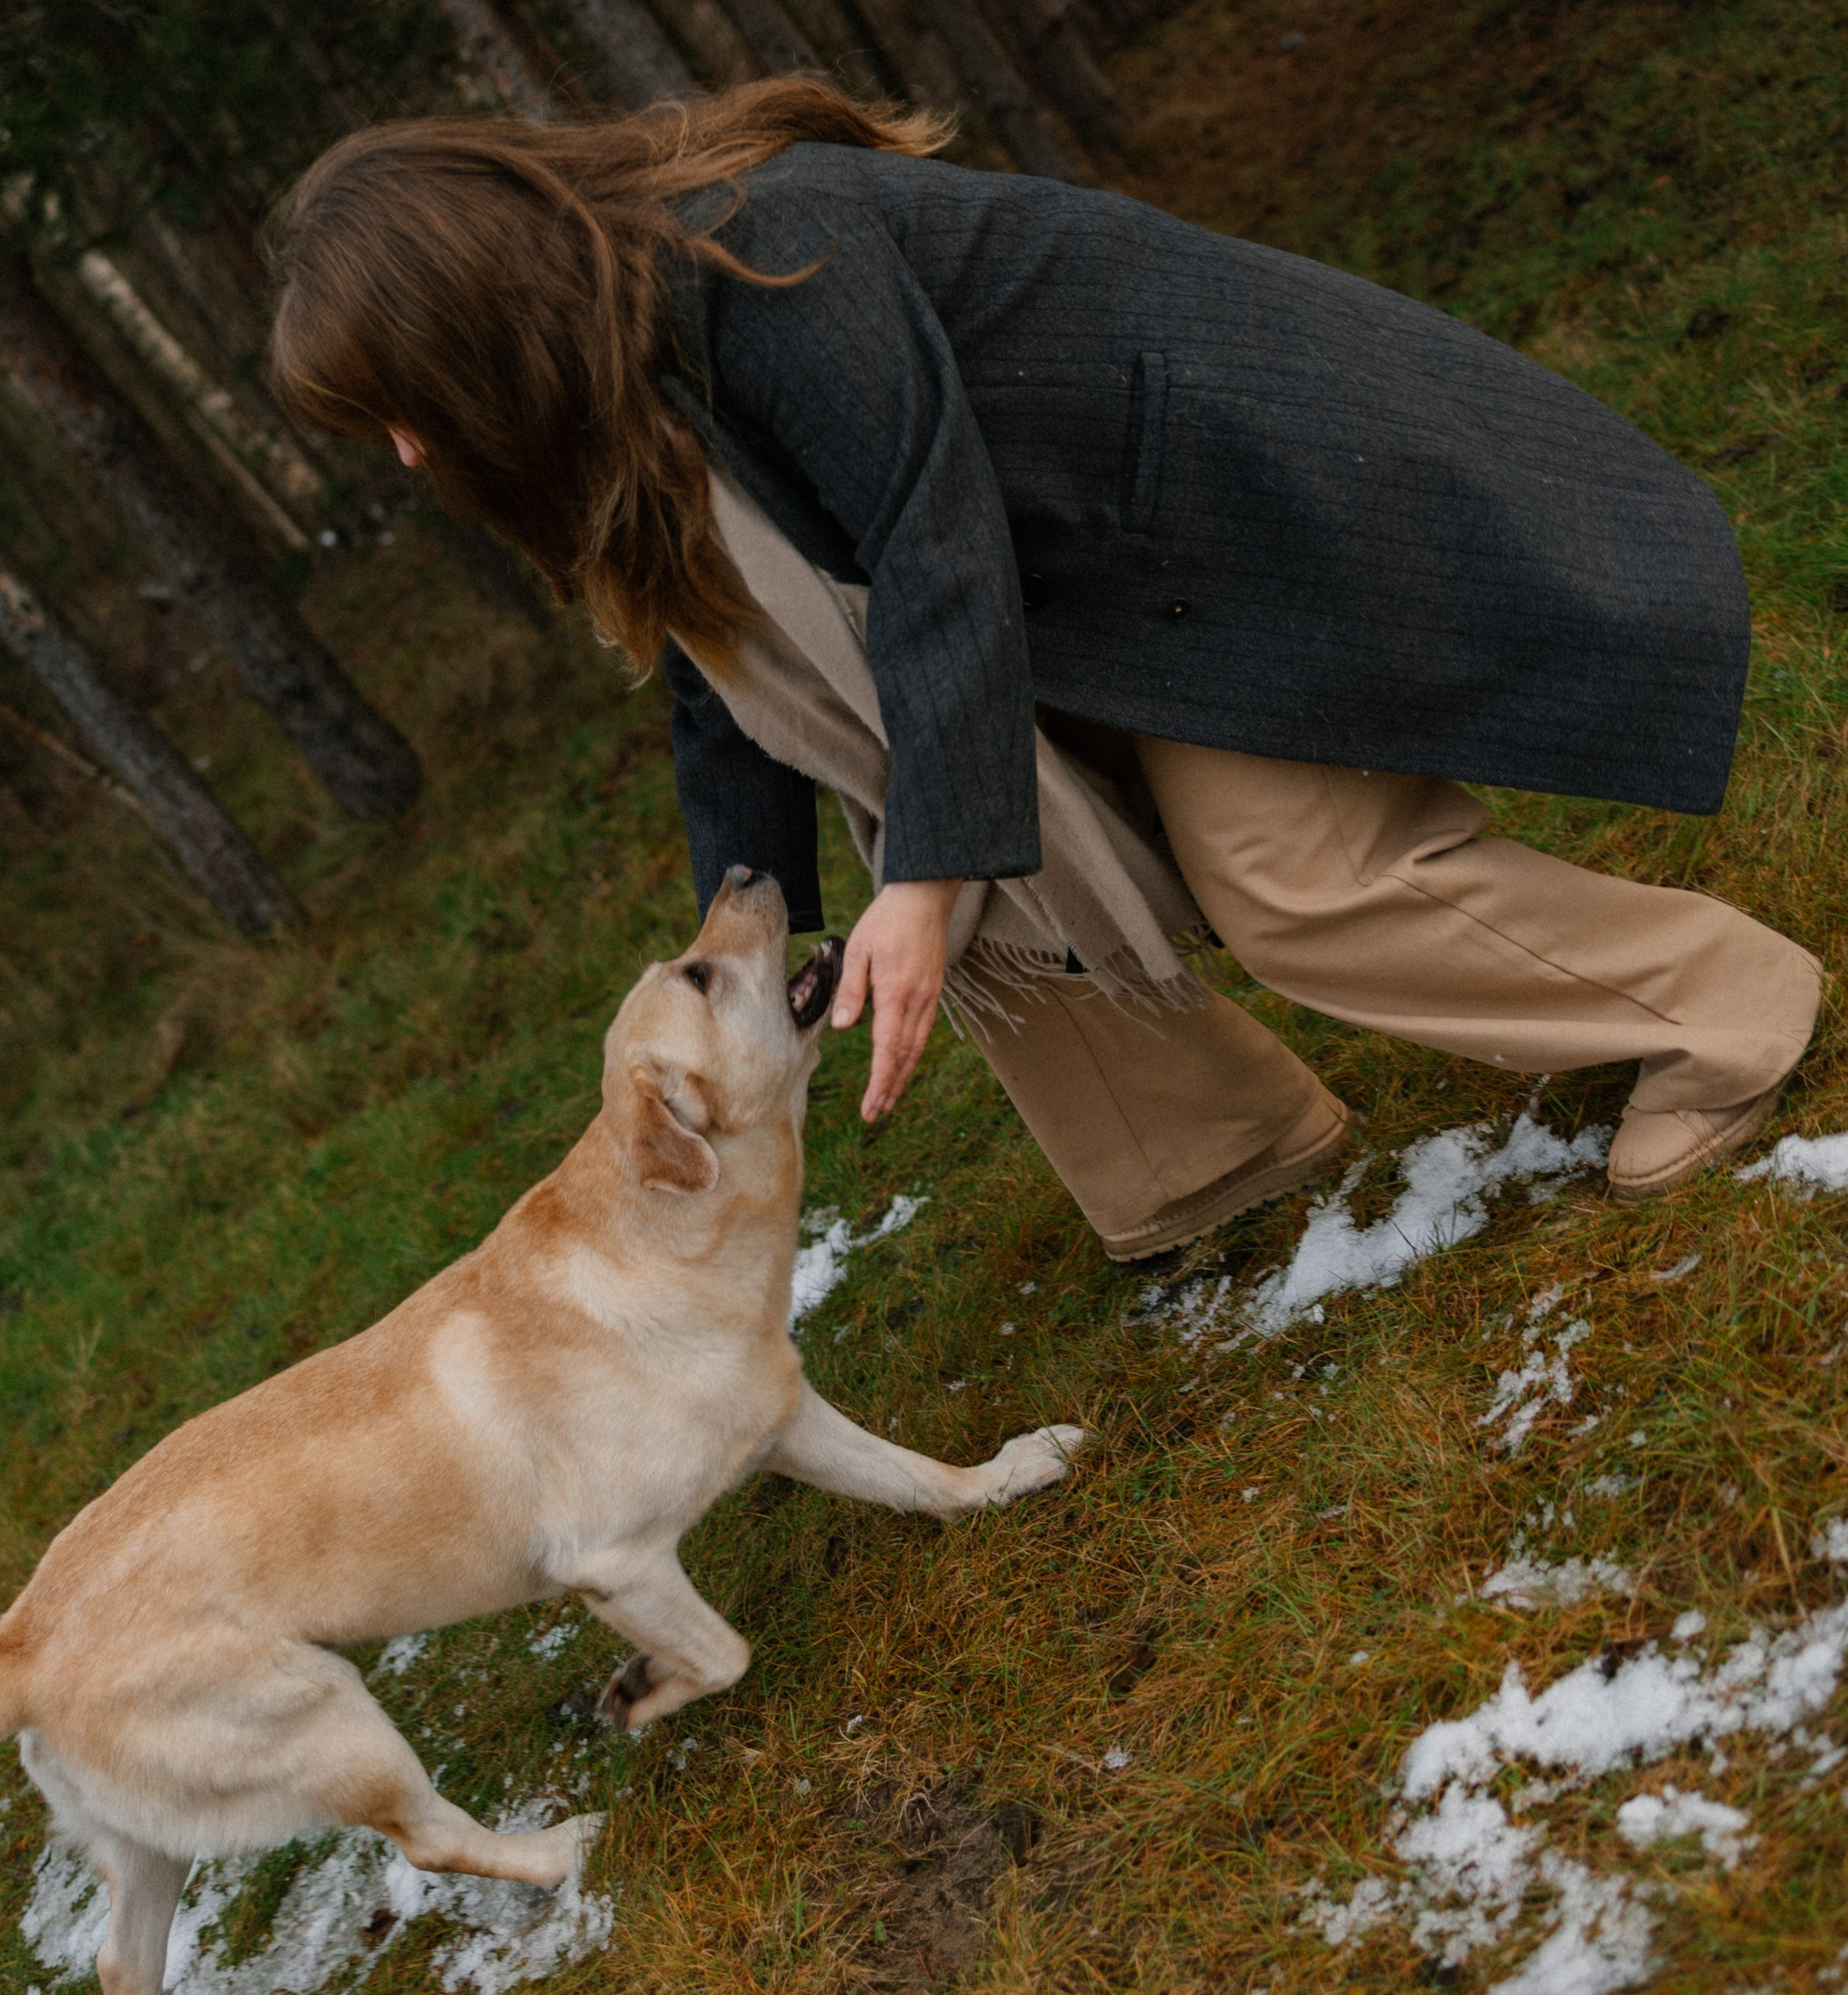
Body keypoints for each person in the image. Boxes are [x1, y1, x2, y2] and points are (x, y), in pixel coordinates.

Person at [266, 81, 1819, 1261]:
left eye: (401, 402)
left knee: (1291, 879)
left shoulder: (763, 249)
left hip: (1223, 506)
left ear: (472, 324)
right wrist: (745, 934)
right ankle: (1208, 1157)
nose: (403, 450)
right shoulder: (620, 387)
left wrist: (929, 875)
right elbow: (714, 665)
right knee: (932, 878)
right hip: (1080, 576)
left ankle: (1723, 1012)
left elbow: (930, 537)